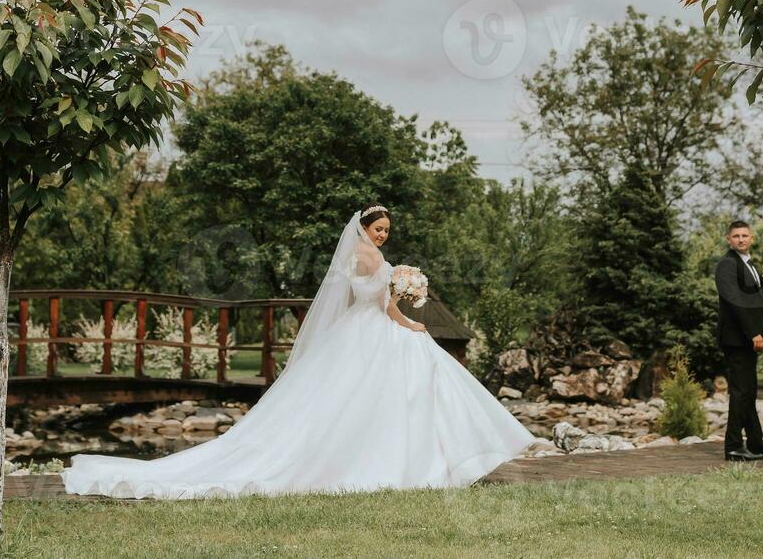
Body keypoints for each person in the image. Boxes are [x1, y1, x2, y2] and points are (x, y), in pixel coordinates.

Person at [63, 205, 534, 498]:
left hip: (372, 327)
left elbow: (382, 303)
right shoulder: (365, 258)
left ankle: (440, 457)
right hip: (368, 332)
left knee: (411, 385)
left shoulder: (367, 259)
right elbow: (374, 300)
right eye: (379, 229)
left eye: (388, 231)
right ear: (364, 229)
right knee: (378, 393)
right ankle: (413, 462)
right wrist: (401, 299)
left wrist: (407, 312)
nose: (383, 235)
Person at [714, 219, 763, 462]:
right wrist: (753, 333)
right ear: (728, 240)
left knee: (749, 391)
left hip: (750, 333)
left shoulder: (751, 264)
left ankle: (755, 441)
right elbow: (735, 303)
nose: (741, 239)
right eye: (736, 236)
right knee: (741, 391)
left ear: (751, 238)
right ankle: (733, 447)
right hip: (735, 338)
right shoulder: (726, 265)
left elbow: (755, 298)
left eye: (745, 235)